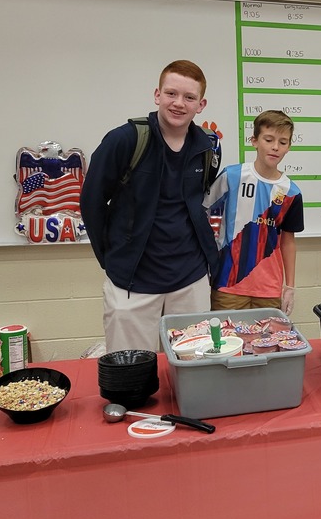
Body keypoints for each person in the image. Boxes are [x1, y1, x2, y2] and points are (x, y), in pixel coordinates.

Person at [82, 60, 220, 352]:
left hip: (190, 280)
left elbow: (197, 204)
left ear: (201, 104)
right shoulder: (125, 139)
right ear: (157, 95)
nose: (179, 103)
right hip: (132, 284)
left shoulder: (207, 146)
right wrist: (111, 258)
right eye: (171, 93)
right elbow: (91, 202)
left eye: (189, 97)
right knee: (131, 374)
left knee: (193, 369)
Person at [205, 110, 303, 313]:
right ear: (254, 141)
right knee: (226, 342)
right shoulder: (232, 176)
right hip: (228, 284)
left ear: (289, 147)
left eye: (283, 142)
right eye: (269, 139)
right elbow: (204, 213)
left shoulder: (291, 192)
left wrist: (290, 286)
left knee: (266, 344)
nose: (275, 147)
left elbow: (288, 241)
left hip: (269, 289)